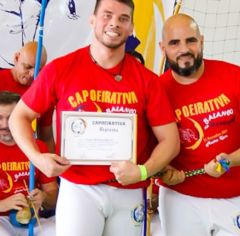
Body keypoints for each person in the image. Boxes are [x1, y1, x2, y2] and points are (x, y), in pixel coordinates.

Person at [9, 0, 180, 235]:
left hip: (128, 189)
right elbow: (18, 117)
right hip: (79, 188)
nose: (114, 23)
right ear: (92, 20)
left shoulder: (147, 80)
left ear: (131, 28)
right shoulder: (61, 68)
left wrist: (142, 171)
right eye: (107, 15)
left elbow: (170, 140)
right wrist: (37, 159)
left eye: (123, 18)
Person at [158, 13, 240, 236]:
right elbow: (147, 143)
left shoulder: (238, 77)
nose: (184, 49)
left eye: (191, 40)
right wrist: (160, 169)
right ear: (163, 48)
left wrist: (230, 161)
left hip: (237, 197)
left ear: (201, 42)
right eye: (175, 43)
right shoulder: (156, 90)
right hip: (180, 199)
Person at [0, 91, 58, 236]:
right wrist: (3, 205)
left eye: (11, 118)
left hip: (34, 219)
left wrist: (44, 197)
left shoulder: (38, 147)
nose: (5, 125)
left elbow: (53, 198)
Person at [0, 41, 55, 153]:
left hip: (27, 159)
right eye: (27, 67)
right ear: (16, 58)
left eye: (38, 70)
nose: (31, 74)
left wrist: (51, 167)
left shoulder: (45, 91)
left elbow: (46, 137)